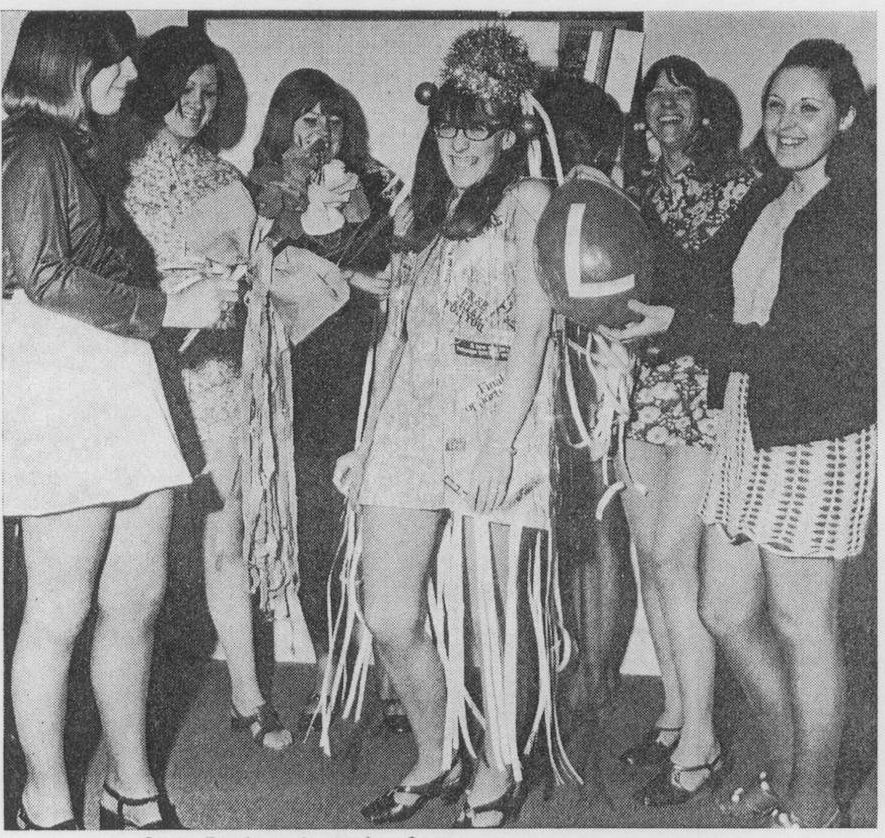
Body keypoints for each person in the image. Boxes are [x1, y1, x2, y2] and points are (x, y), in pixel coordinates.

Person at [604, 39, 875, 828]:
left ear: (844, 118)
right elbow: (705, 287)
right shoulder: (769, 196)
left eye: (808, 108)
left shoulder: (855, 211)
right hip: (746, 419)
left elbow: (802, 344)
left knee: (800, 623)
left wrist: (682, 328)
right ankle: (786, 766)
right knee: (723, 611)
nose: (786, 123)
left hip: (815, 434)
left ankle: (813, 804)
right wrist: (629, 283)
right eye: (775, 105)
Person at [330, 26, 570, 828]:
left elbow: (534, 330)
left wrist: (500, 445)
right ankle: (435, 756)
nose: (460, 143)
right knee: (388, 612)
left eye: (477, 128)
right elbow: (395, 338)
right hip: (411, 418)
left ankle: (497, 763)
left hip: (498, 419)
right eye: (447, 127)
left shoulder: (528, 201)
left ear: (507, 134)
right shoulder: (425, 212)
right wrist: (367, 442)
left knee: (494, 615)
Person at [3, 12, 237, 829]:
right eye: (116, 62)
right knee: (58, 612)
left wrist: (177, 290)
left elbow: (90, 265)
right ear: (67, 64)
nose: (134, 77)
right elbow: (42, 275)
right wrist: (168, 307)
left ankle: (130, 785)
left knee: (138, 599)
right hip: (65, 384)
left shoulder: (83, 146)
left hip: (122, 373)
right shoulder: (34, 145)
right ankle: (44, 798)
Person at [118, 26, 293, 751]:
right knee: (138, 562)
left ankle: (248, 695)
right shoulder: (114, 168)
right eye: (183, 88)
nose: (196, 103)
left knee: (226, 533)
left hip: (217, 377)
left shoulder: (223, 179)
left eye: (208, 91)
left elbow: (259, 280)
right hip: (139, 377)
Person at [615, 56, 756, 806]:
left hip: (704, 385)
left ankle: (702, 740)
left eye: (682, 93)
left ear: (704, 109)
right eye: (656, 94)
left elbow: (734, 293)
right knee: (649, 555)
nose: (667, 103)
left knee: (675, 555)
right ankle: (673, 714)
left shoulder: (740, 184)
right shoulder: (634, 190)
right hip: (642, 385)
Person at [249, 68, 400, 734]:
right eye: (308, 118)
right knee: (316, 533)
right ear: (283, 122)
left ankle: (393, 671)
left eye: (333, 120)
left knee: (381, 532)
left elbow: (397, 269)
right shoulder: (259, 191)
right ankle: (330, 668)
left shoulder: (377, 187)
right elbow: (256, 277)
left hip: (370, 375)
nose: (322, 132)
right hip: (299, 383)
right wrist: (341, 272)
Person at [537, 73, 637, 721]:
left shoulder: (601, 198)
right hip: (541, 370)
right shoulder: (532, 193)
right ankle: (572, 662)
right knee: (570, 524)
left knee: (595, 518)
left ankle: (595, 675)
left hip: (591, 370)